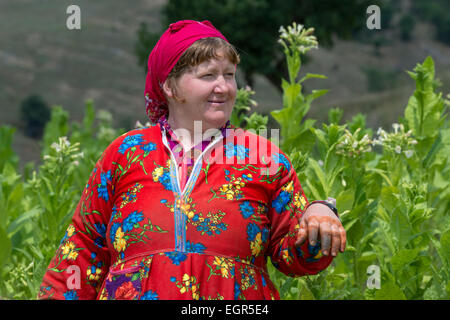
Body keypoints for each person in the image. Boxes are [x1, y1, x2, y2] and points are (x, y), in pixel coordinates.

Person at [38, 20, 346, 300]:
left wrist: (319, 214)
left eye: (229, 75)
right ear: (170, 86)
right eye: (208, 75)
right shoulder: (126, 154)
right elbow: (82, 251)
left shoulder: (264, 157)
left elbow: (294, 257)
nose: (223, 87)